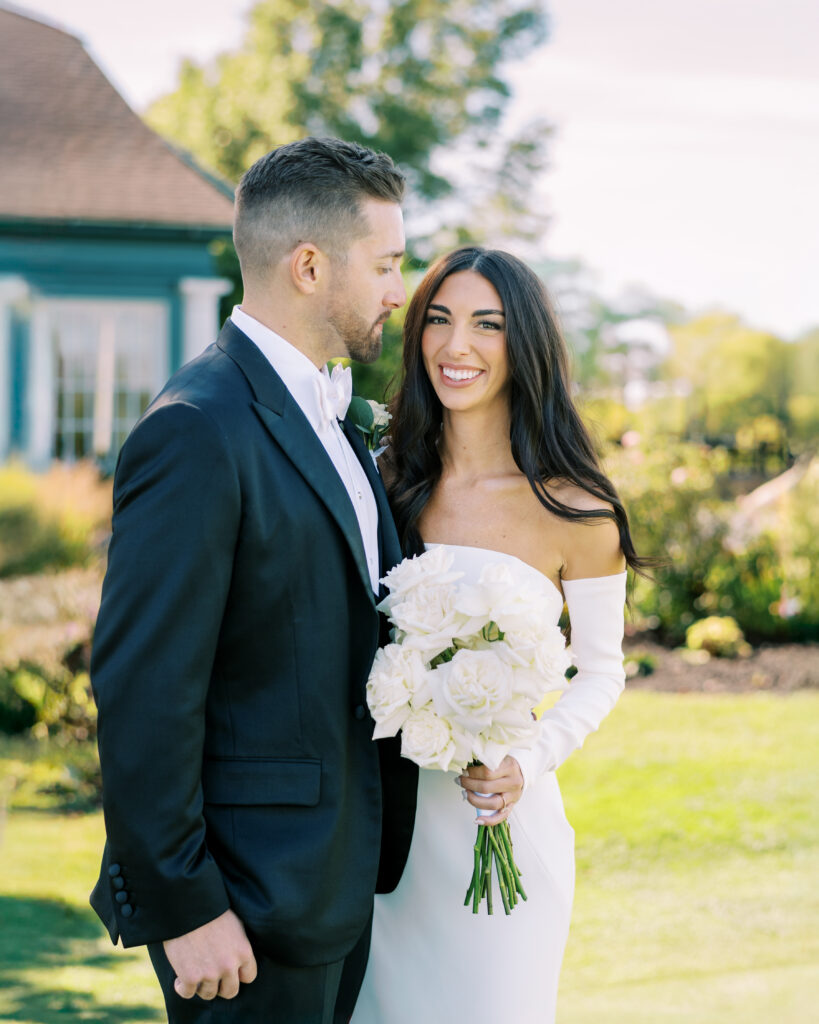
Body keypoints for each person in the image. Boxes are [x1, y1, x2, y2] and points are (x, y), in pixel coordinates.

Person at [89, 137, 418, 1023]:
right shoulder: (198, 427)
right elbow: (143, 686)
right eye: (385, 264)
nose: (399, 290)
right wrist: (184, 905)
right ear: (310, 266)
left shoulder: (330, 415)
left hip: (330, 885)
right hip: (242, 906)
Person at [352, 247, 641, 1023]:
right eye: (438, 321)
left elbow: (601, 673)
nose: (456, 346)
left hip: (501, 825)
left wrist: (525, 758)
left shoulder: (576, 510)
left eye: (488, 325)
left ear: (526, 346)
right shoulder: (381, 484)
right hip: (382, 843)